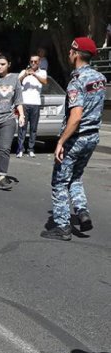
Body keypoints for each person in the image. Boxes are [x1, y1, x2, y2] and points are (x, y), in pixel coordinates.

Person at [41, 37, 106, 240]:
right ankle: (82, 210)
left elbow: (76, 117)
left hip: (76, 138)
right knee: (75, 177)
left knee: (59, 181)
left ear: (76, 54)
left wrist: (61, 141)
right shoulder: (100, 78)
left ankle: (62, 226)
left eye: (71, 50)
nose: (68, 53)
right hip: (93, 136)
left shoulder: (76, 82)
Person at [0, 54, 25, 191]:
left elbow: (18, 100)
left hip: (8, 119)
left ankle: (1, 177)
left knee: (4, 148)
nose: (0, 67)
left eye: (3, 64)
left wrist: (21, 115)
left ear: (8, 64)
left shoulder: (14, 79)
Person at [17, 53, 47, 157]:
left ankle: (31, 149)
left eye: (35, 62)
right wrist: (25, 74)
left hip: (36, 103)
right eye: (31, 61)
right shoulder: (24, 72)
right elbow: (17, 83)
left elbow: (45, 81)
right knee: (22, 127)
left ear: (39, 62)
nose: (33, 63)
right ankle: (20, 149)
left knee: (33, 128)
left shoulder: (42, 72)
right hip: (25, 103)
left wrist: (34, 74)